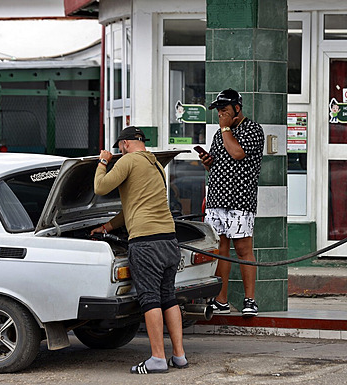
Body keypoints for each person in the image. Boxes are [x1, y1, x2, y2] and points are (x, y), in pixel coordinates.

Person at [90, 126, 188, 374]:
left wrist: (103, 161)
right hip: (168, 239)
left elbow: (100, 187)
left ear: (124, 144)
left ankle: (156, 358)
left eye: (118, 147)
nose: (118, 150)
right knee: (168, 297)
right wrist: (107, 226)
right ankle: (179, 356)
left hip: (146, 242)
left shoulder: (128, 161)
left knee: (149, 299)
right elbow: (132, 207)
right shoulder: (154, 164)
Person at [198, 89, 264, 318]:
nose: (221, 116)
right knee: (220, 250)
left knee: (243, 250)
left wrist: (226, 129)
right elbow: (219, 163)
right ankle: (221, 300)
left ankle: (250, 300)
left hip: (239, 201)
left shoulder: (253, 130)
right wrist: (208, 163)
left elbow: (237, 153)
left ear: (237, 108)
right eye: (218, 113)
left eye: (224, 111)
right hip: (216, 200)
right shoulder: (219, 135)